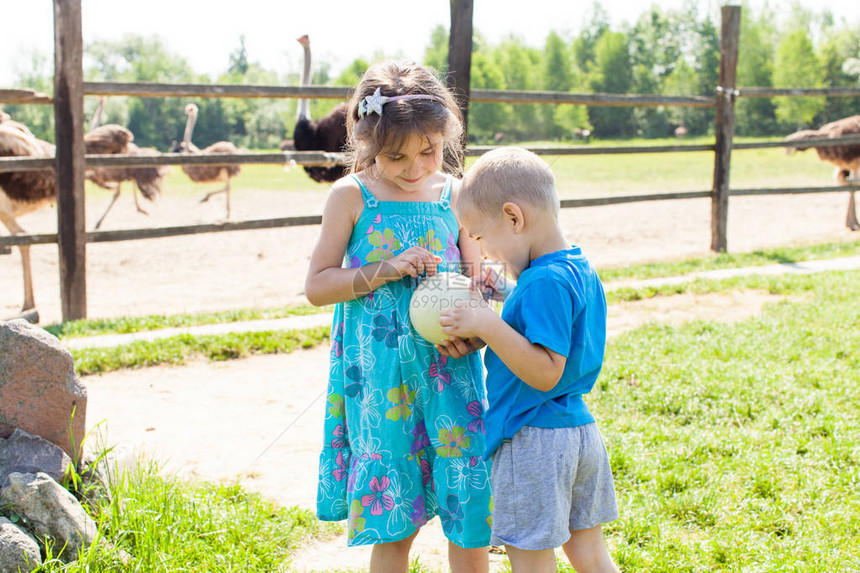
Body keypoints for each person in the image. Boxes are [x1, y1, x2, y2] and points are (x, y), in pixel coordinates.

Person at [305, 60, 492, 573]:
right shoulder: (349, 196)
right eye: (396, 156)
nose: (414, 167)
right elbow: (317, 286)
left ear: (446, 137)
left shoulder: (455, 194)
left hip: (450, 371)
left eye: (429, 151)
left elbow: (481, 280)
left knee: (468, 508)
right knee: (395, 519)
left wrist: (479, 327)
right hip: (380, 381)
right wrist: (382, 270)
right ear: (366, 143)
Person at [437, 147, 621, 573]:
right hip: (578, 433)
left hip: (533, 439)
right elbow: (551, 338)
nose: (483, 251)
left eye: (482, 237)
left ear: (513, 217)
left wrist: (485, 322)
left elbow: (543, 370)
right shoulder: (575, 268)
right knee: (591, 556)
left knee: (531, 560)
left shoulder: (543, 282)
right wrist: (498, 305)